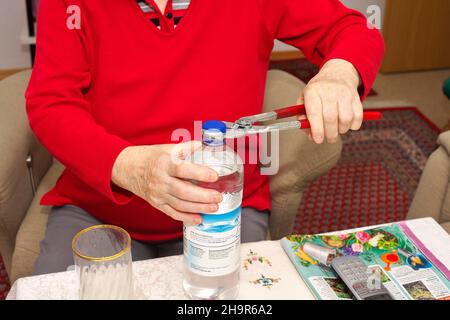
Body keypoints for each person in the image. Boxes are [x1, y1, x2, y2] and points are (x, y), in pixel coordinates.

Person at [26, 0, 384, 274]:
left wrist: (339, 72)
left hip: (223, 206)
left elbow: (352, 28)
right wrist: (129, 166)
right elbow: (51, 103)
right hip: (99, 208)